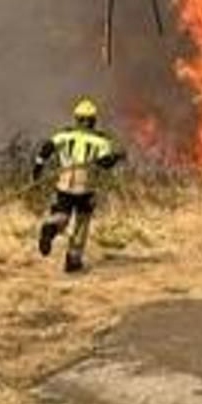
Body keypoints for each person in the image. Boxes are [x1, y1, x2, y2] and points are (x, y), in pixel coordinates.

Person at [33, 97, 124, 274]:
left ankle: (50, 227)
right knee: (81, 223)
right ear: (93, 120)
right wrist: (116, 158)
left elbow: (46, 148)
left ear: (76, 118)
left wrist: (38, 166)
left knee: (62, 215)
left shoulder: (64, 135)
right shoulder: (101, 141)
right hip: (85, 188)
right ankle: (73, 260)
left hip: (64, 185)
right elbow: (105, 163)